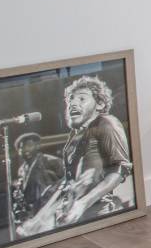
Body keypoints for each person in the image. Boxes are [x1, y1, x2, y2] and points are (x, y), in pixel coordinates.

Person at [20, 75, 132, 236]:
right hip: (74, 215)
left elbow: (119, 170)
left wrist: (82, 204)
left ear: (99, 104)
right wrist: (40, 216)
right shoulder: (74, 137)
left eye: (81, 99)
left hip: (100, 211)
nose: (73, 103)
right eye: (70, 100)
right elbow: (70, 179)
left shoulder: (106, 122)